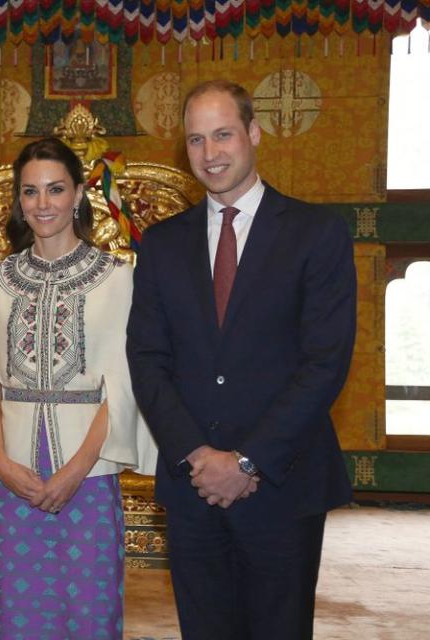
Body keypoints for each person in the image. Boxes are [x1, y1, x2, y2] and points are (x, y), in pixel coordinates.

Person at [126, 80, 357, 640]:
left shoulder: (315, 233)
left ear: (253, 133)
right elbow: (147, 359)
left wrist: (247, 462)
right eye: (197, 140)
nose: (211, 154)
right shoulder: (160, 245)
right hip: (192, 485)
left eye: (223, 134)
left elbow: (324, 363)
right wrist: (199, 455)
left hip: (283, 483)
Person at [0, 137, 156, 640]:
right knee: (21, 610)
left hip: (88, 473)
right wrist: (2, 464)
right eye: (30, 192)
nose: (43, 203)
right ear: (18, 201)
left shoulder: (118, 279)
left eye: (55, 189)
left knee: (90, 612)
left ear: (77, 195)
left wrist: (75, 471)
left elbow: (124, 387)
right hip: (16, 477)